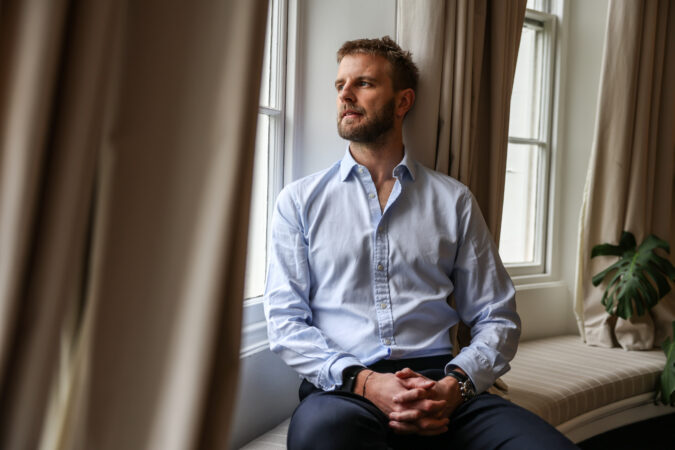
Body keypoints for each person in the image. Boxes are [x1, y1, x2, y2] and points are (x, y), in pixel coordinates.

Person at [264, 36, 577, 450]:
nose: (345, 94)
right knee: (320, 438)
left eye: (364, 83)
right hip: (344, 391)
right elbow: (285, 323)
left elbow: (497, 316)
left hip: (444, 384)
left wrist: (454, 387)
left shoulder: (453, 201)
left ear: (402, 101)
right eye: (340, 85)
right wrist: (368, 383)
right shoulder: (299, 202)